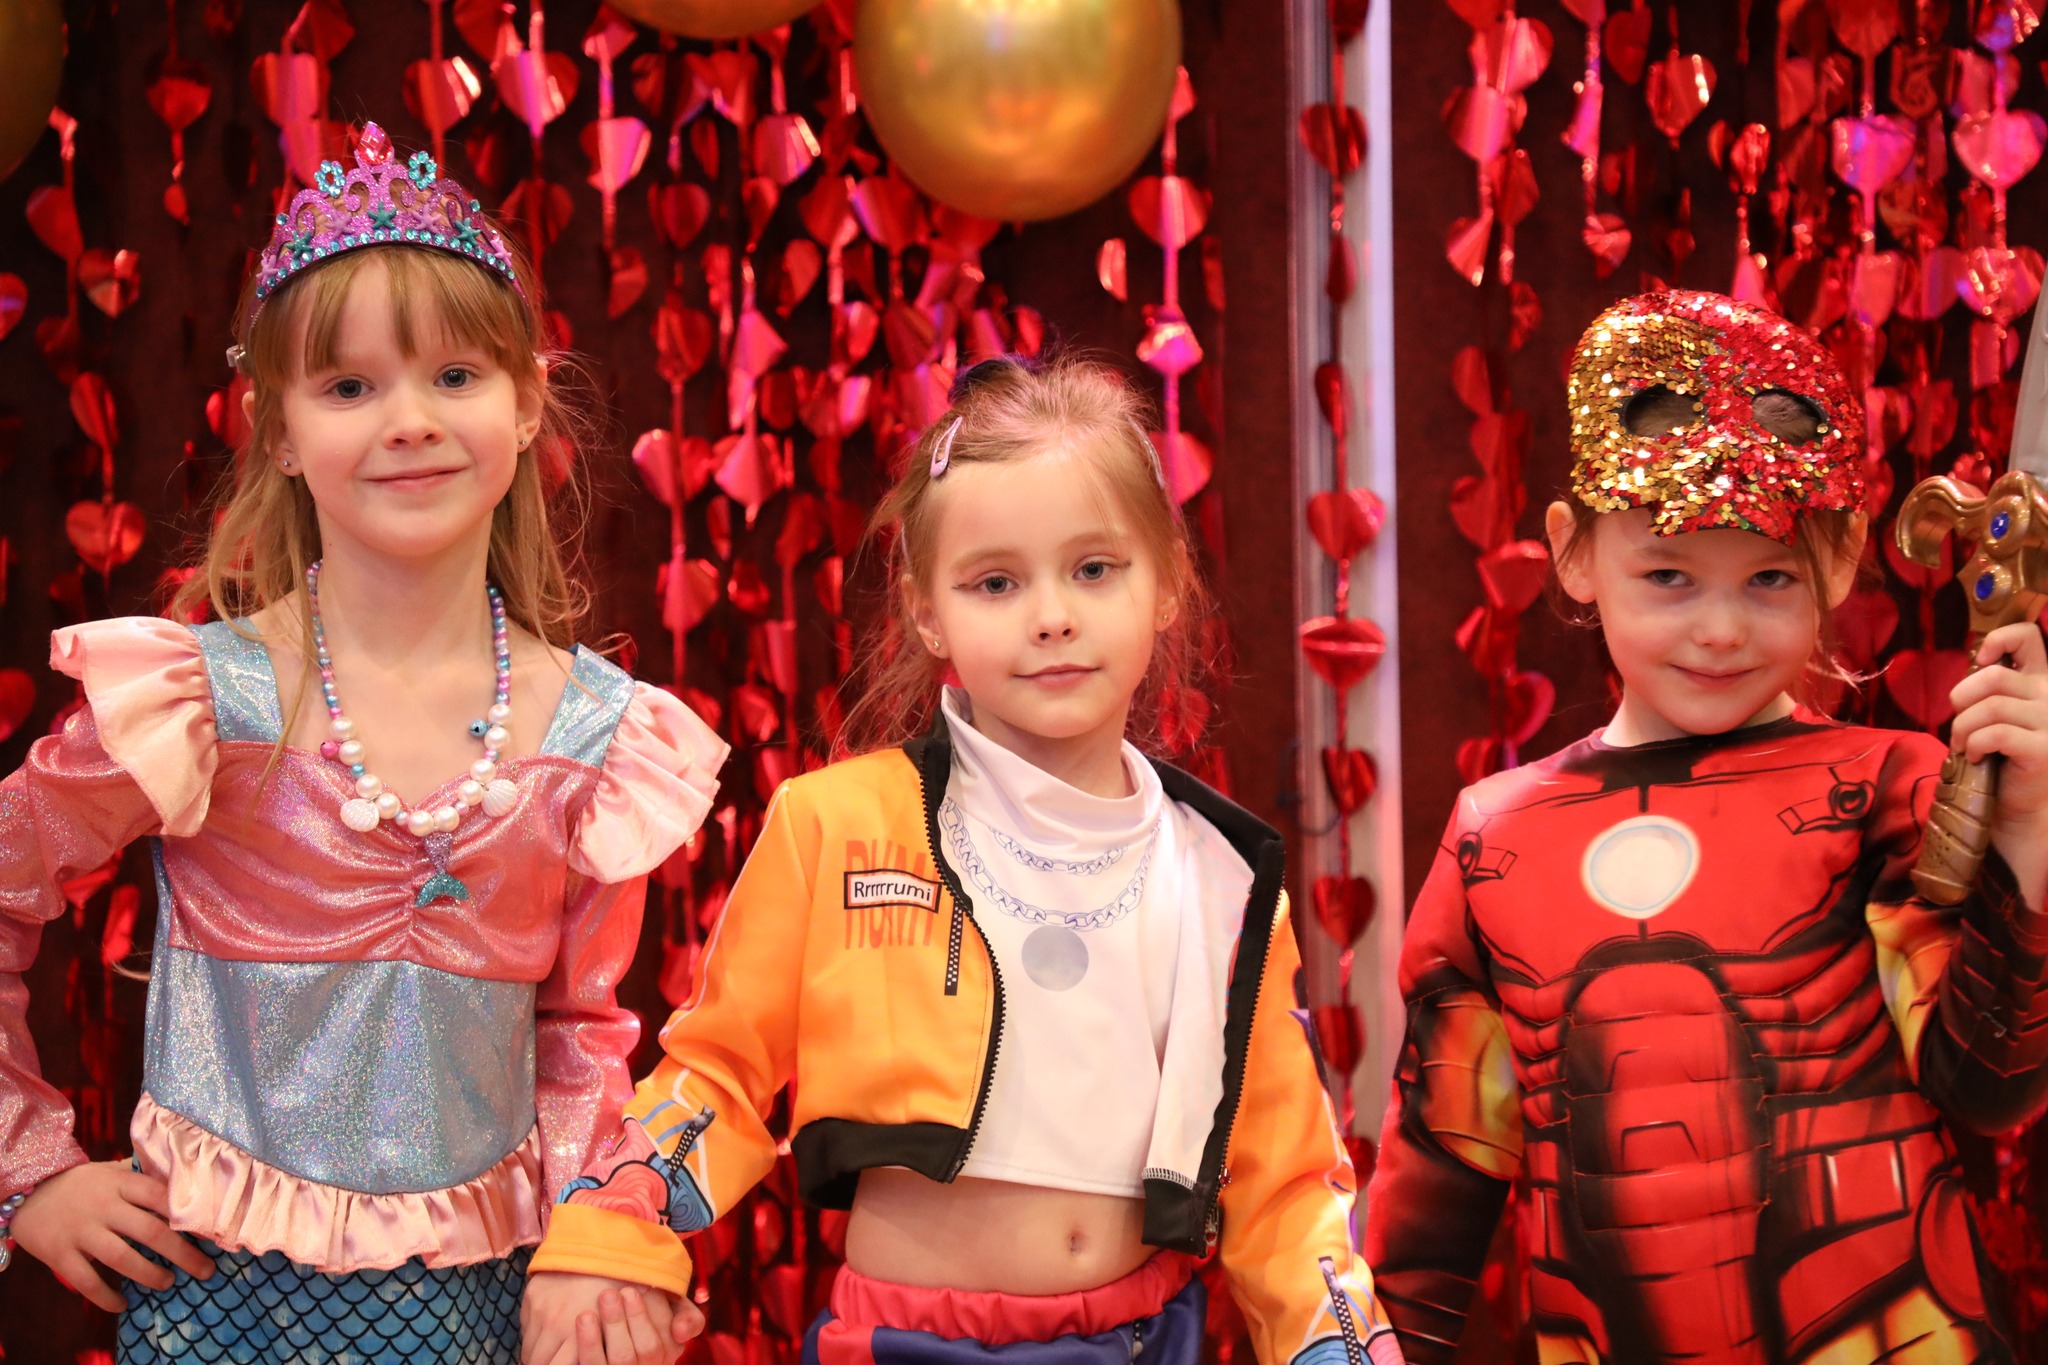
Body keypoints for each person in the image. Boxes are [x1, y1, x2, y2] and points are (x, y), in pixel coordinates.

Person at [0, 122, 727, 1364]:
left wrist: (600, 1247)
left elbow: (580, 1030)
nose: (409, 421)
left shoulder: (597, 740)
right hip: (212, 1312)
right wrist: (29, 1171)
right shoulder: (203, 705)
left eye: (455, 375)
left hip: (477, 1309)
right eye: (348, 387)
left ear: (526, 402)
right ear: (277, 430)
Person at [518, 357, 1402, 1365]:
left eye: (1094, 569)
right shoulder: (833, 824)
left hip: (1143, 1342)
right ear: (926, 608)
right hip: (901, 1346)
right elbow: (717, 1073)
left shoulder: (1221, 880)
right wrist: (612, 1229)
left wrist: (1343, 1345)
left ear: (1164, 581)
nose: (1051, 615)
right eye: (995, 582)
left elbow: (1285, 1182)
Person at [1363, 289, 2048, 1364]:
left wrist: (2028, 839)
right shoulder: (1494, 835)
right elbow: (1439, 1177)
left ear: (1837, 561)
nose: (1720, 629)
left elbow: (1990, 1084)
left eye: (1767, 578)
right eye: (1669, 577)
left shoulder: (1889, 787)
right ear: (1573, 553)